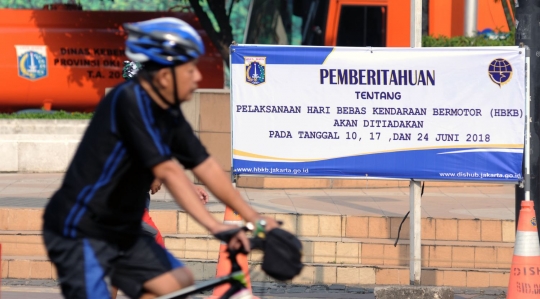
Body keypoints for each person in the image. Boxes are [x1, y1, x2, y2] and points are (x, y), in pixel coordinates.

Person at [42, 17, 277, 299]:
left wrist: (257, 220)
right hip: (79, 227)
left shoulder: (168, 114)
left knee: (176, 280)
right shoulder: (128, 101)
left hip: (121, 229)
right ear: (165, 76)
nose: (198, 77)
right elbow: (167, 170)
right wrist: (216, 226)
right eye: (190, 69)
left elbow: (207, 167)